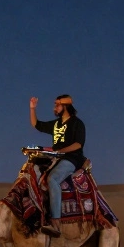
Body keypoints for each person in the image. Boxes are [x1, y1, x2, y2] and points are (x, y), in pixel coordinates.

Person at [29, 94, 86, 237]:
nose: (55, 107)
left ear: (65, 106)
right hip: (54, 158)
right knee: (31, 172)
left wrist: (59, 151)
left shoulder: (77, 124)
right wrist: (32, 108)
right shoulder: (56, 124)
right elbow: (37, 124)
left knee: (52, 179)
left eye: (57, 104)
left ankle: (56, 223)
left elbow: (78, 144)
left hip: (71, 159)